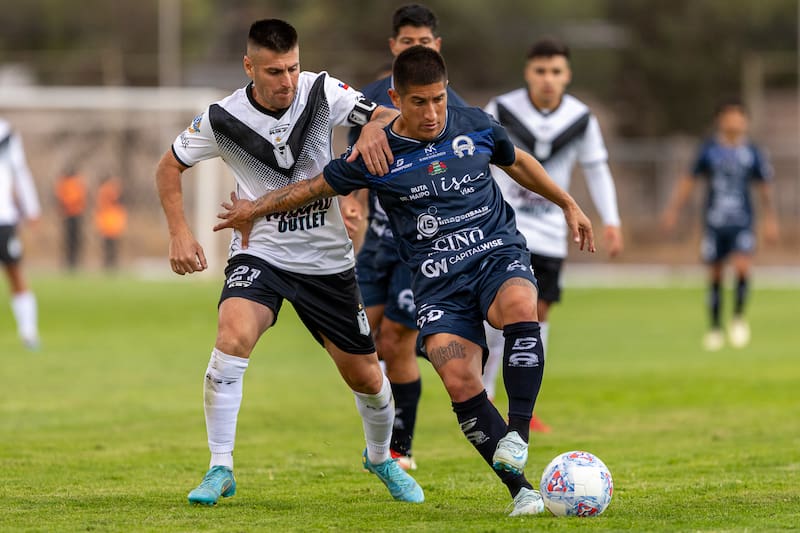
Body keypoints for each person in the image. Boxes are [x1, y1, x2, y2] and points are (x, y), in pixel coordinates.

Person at [214, 46, 596, 516]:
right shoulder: (376, 154)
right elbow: (312, 188)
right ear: (396, 98)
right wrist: (253, 208)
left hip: (495, 256)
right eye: (419, 102)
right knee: (458, 379)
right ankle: (523, 492)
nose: (432, 113)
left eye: (438, 99)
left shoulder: (475, 124)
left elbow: (516, 161)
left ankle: (516, 433)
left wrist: (568, 203)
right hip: (438, 285)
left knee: (521, 308)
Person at [155, 19, 423, 506]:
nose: (287, 81)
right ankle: (220, 467)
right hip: (262, 253)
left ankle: (381, 457)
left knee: (367, 377)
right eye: (275, 71)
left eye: (293, 68)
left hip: (327, 262)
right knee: (231, 336)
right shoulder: (222, 119)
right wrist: (179, 231)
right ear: (249, 66)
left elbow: (387, 114)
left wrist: (369, 129)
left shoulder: (321, 92)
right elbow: (169, 165)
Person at [340, 3, 469, 472]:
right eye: (408, 42)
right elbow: (357, 161)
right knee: (358, 341)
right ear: (394, 45)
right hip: (378, 241)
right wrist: (351, 201)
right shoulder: (369, 100)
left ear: (438, 46)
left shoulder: (451, 105)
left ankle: (400, 448)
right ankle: (382, 429)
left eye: (424, 42)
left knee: (395, 340)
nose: (416, 48)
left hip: (422, 248)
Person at [481, 37, 623, 432]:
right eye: (540, 71)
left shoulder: (581, 118)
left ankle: (522, 405)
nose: (548, 79)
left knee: (538, 316)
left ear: (567, 75)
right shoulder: (501, 109)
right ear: (528, 73)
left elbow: (596, 168)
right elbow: (479, 161)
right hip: (504, 229)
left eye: (555, 71)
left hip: (550, 234)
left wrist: (611, 220)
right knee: (504, 314)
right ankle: (486, 392)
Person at [661, 98, 778, 351]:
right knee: (715, 274)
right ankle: (714, 328)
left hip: (742, 221)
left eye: (739, 117)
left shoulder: (753, 152)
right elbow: (689, 180)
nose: (734, 122)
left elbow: (764, 186)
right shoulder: (708, 150)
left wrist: (771, 218)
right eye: (729, 116)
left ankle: (738, 317)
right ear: (720, 120)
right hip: (714, 222)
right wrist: (673, 210)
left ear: (745, 121)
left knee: (743, 268)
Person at [0, 118, 41, 350]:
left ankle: (29, 333)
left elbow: (20, 172)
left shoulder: (5, 134)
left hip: (3, 217)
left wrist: (31, 208)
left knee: (15, 271)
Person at [54, 168, 87, 271]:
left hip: (76, 213)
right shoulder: (65, 183)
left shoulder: (75, 182)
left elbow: (81, 197)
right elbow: (60, 197)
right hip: (68, 214)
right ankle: (69, 260)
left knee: (76, 239)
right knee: (68, 239)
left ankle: (75, 260)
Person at [94, 174, 127, 271]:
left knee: (107, 245)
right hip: (111, 220)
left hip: (107, 220)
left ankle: (108, 263)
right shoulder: (110, 189)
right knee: (111, 245)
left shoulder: (102, 190)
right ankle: (111, 263)